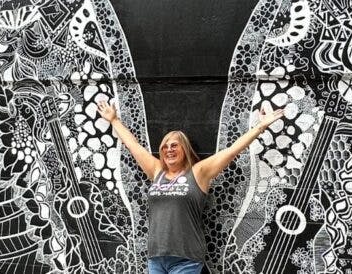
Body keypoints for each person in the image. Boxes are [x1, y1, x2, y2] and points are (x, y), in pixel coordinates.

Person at [97, 99, 284, 274]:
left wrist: (260, 126)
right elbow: (133, 145)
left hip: (186, 259)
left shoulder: (198, 172)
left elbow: (232, 150)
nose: (168, 149)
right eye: (165, 147)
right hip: (156, 258)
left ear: (184, 149)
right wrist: (113, 120)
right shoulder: (156, 171)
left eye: (174, 146)